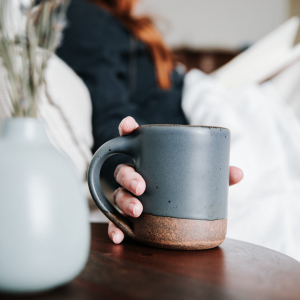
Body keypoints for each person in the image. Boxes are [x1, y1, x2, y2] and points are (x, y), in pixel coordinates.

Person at [56, 0, 243, 244]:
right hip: (189, 153)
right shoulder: (83, 16)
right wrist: (144, 174)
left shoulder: (111, 20)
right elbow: (110, 114)